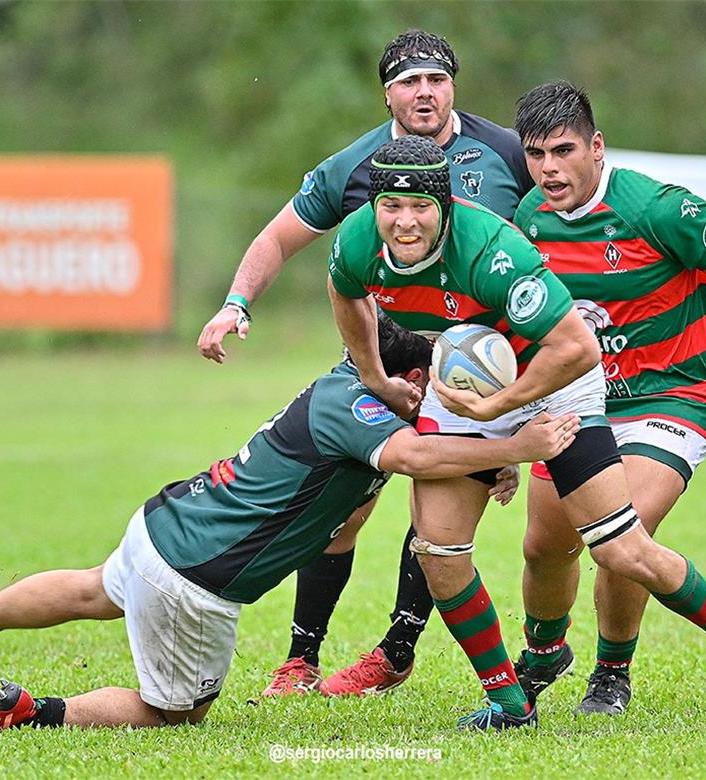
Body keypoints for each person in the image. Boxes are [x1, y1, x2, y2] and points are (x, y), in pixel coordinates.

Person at [328, 133, 706, 730]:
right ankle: (508, 702)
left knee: (620, 548)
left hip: (557, 381)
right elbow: (346, 296)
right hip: (470, 385)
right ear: (373, 209)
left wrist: (505, 412)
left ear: (445, 204)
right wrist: (376, 376)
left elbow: (577, 349)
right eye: (391, 207)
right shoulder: (355, 242)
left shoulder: (493, 250)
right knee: (439, 552)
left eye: (420, 206)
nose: (404, 221)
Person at [0, 318, 580, 731]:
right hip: (197, 580)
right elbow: (412, 453)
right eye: (431, 388)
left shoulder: (347, 387)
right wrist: (516, 448)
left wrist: (486, 460)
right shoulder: (363, 413)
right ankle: (33, 712)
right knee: (175, 713)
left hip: (165, 525)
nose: (438, 402)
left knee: (93, 590)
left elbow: (433, 450)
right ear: (403, 376)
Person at [196, 29, 535, 699]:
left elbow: (553, 227)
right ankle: (301, 658)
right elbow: (278, 235)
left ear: (453, 86)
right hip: (382, 364)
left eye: (435, 79)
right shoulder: (355, 165)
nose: (424, 92)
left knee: (434, 511)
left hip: (474, 371)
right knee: (341, 510)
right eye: (409, 82)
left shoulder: (505, 153)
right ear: (388, 93)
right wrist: (236, 303)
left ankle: (397, 650)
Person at [506, 80, 706, 718]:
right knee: (544, 546)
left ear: (597, 147)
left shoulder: (657, 209)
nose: (550, 169)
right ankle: (545, 655)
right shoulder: (528, 218)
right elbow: (529, 330)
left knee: (622, 533)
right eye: (536, 155)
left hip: (671, 396)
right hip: (577, 403)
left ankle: (611, 674)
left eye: (564, 150)